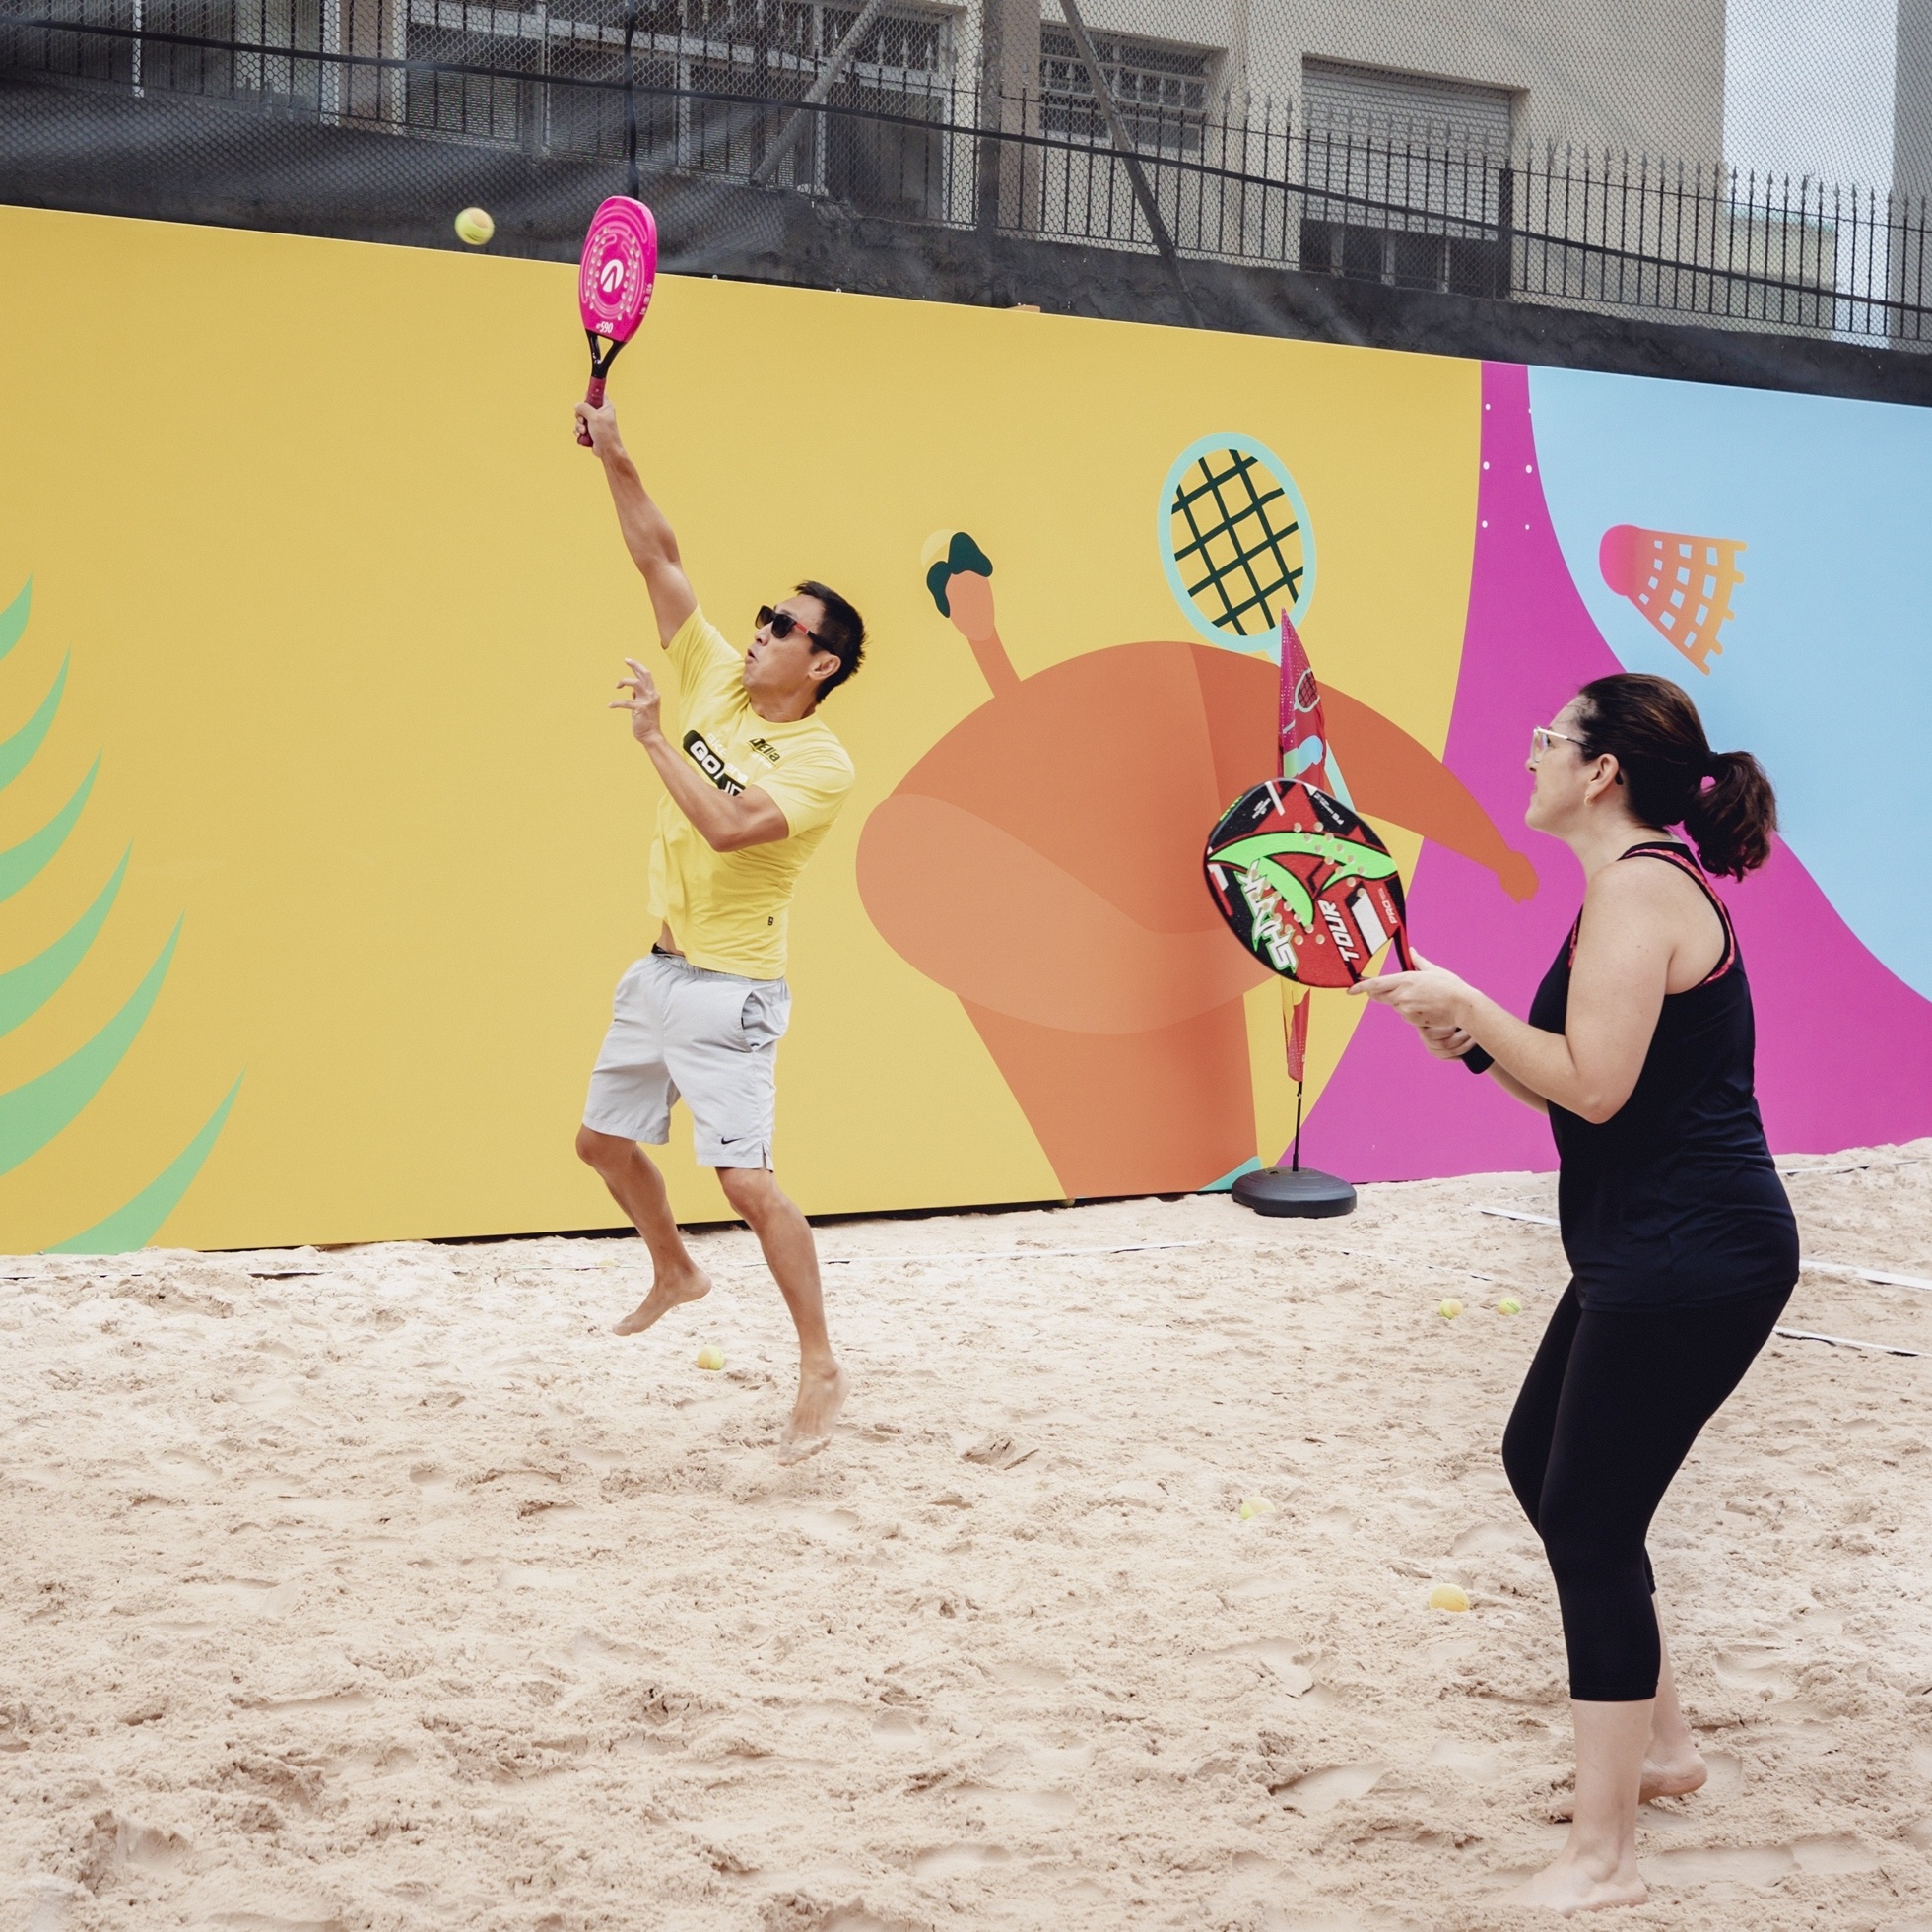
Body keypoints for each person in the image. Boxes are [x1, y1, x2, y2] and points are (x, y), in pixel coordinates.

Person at [1355, 673, 1797, 1915]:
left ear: (1600, 771)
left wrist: (1477, 1008)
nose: (1531, 750)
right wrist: (1476, 1036)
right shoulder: (1630, 885)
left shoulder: (1640, 889)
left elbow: (1594, 1088)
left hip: (1689, 1252)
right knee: (1537, 1458)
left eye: (1548, 737)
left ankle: (1604, 1856)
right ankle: (1662, 1747)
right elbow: (1569, 1084)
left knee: (1591, 1522)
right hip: (1649, 1240)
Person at [571, 395, 865, 1463]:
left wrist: (654, 742)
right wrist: (616, 457)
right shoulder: (716, 683)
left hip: (733, 990)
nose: (760, 631)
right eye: (763, 615)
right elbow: (659, 554)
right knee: (601, 1143)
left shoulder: (819, 762)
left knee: (744, 1182)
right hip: (658, 972)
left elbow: (735, 829)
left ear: (820, 662)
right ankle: (674, 1268)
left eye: (784, 628)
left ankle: (820, 1361)